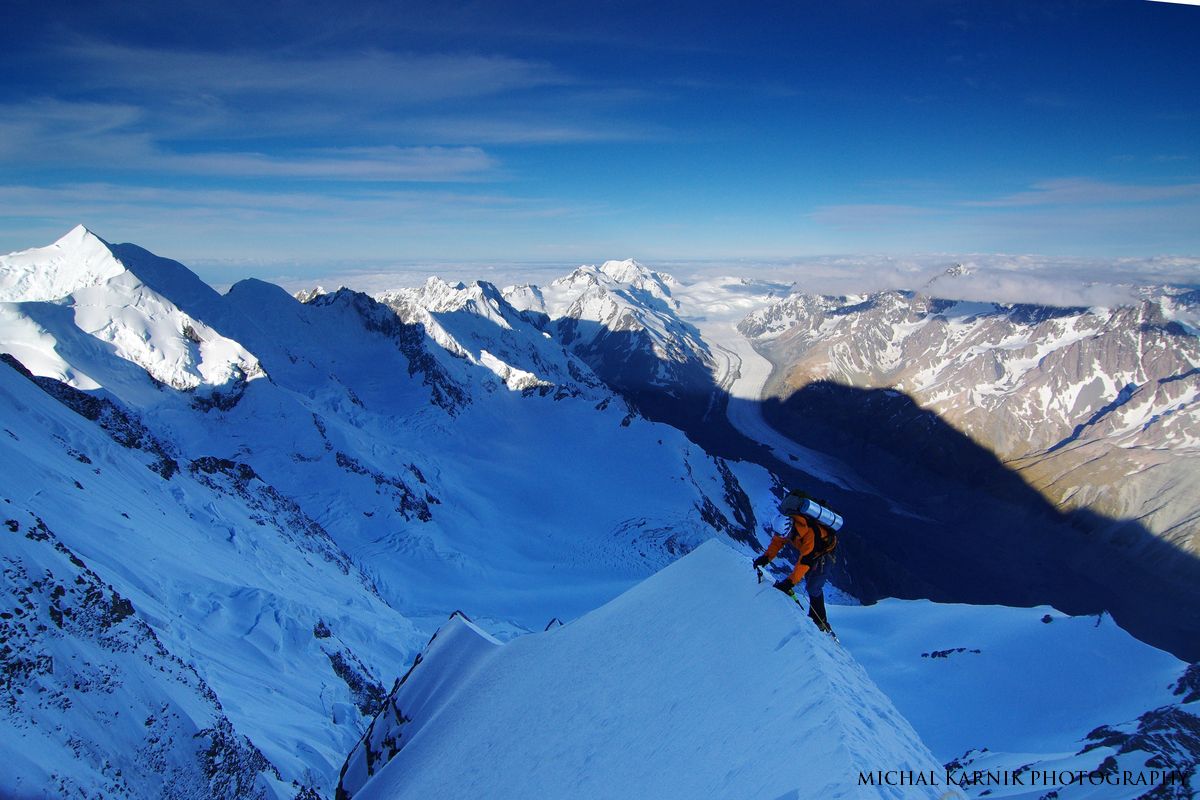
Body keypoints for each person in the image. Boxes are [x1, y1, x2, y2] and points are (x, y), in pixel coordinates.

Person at [752, 494, 838, 634]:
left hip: (824, 554)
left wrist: (789, 583)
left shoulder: (810, 534)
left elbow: (805, 561)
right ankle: (815, 618)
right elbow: (777, 543)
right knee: (810, 582)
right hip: (812, 552)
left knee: (813, 587)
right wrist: (765, 558)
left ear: (790, 529)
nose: (784, 538)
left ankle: (820, 622)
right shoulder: (786, 527)